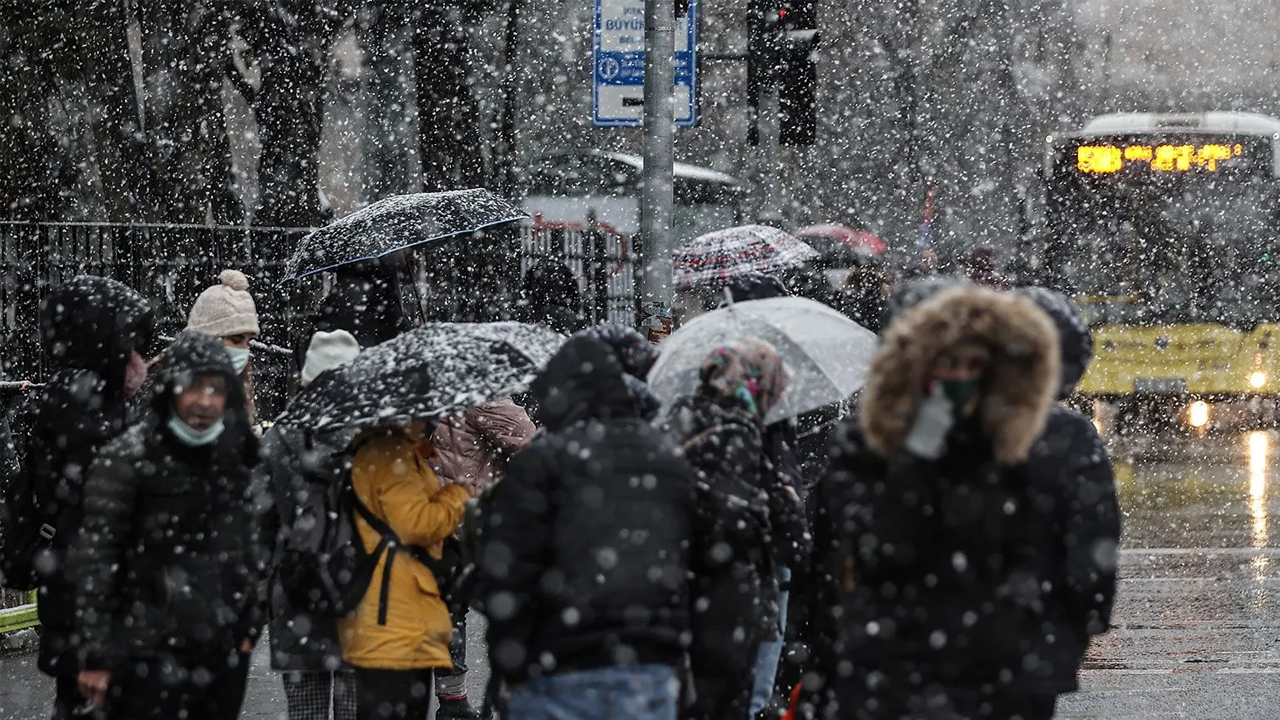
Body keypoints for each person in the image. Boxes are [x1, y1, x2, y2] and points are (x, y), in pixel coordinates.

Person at [808, 285, 1061, 720]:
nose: (960, 377)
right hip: (889, 660)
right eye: (948, 364)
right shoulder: (865, 443)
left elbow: (1034, 554)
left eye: (973, 366)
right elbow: (873, 542)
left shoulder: (1014, 449)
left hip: (982, 664)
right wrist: (918, 452)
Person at [474, 334, 698, 720]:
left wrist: (510, 660)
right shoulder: (668, 460)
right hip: (650, 663)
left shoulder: (544, 462)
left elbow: (510, 571)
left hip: (558, 663)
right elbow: (695, 559)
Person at [69, 330, 262, 720]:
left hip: (221, 650)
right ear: (171, 389)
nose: (205, 401)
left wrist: (248, 626)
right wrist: (97, 653)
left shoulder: (236, 455)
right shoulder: (129, 457)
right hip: (145, 652)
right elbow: (97, 559)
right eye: (193, 387)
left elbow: (252, 545)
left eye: (216, 388)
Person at [27, 276, 153, 720]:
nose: (142, 362)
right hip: (95, 626)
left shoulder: (83, 405)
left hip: (84, 620)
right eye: (133, 348)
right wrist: (100, 651)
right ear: (107, 349)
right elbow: (96, 543)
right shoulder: (89, 422)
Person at [994, 287, 1120, 719]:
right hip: (1035, 633)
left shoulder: (939, 422)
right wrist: (1089, 615)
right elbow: (1093, 537)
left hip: (947, 633)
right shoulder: (1070, 435)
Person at [665, 340, 797, 720]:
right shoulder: (744, 435)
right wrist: (784, 497)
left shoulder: (679, 421)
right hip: (730, 603)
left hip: (676, 598)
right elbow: (787, 534)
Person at [256, 330, 363, 720]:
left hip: (297, 599)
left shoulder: (280, 437)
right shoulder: (375, 438)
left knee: (306, 714)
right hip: (361, 599)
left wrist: (259, 597)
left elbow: (261, 525)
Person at [338, 419, 471, 720]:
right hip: (393, 611)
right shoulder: (390, 452)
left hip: (395, 607)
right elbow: (416, 524)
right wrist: (457, 496)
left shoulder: (393, 448)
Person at [429, 396, 536, 720]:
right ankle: (506, 693)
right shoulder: (484, 398)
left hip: (440, 522)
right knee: (505, 613)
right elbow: (532, 445)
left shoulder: (432, 397)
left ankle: (452, 699)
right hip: (479, 524)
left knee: (449, 615)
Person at [186, 269, 262, 423]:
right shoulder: (170, 386)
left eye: (248, 342)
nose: (244, 350)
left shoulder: (240, 387)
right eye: (236, 340)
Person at [314, 254, 415, 350]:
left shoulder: (338, 293)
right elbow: (403, 339)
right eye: (406, 250)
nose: (410, 253)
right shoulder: (379, 293)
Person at [519, 259, 584, 334]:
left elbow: (525, 291)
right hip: (557, 312)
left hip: (540, 309)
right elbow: (575, 298)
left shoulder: (537, 270)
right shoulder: (563, 271)